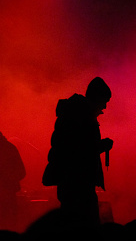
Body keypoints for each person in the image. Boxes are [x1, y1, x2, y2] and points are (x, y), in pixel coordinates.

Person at [42, 77, 113, 225]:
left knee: (73, 226)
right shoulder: (81, 117)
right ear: (97, 97)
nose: (105, 107)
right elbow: (80, 150)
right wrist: (102, 146)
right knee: (83, 227)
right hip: (78, 183)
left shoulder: (74, 114)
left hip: (72, 182)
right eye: (104, 101)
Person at [0, 131, 26, 226]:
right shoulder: (10, 148)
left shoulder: (9, 149)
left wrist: (7, 180)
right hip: (8, 195)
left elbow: (21, 172)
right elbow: (21, 172)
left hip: (7, 196)